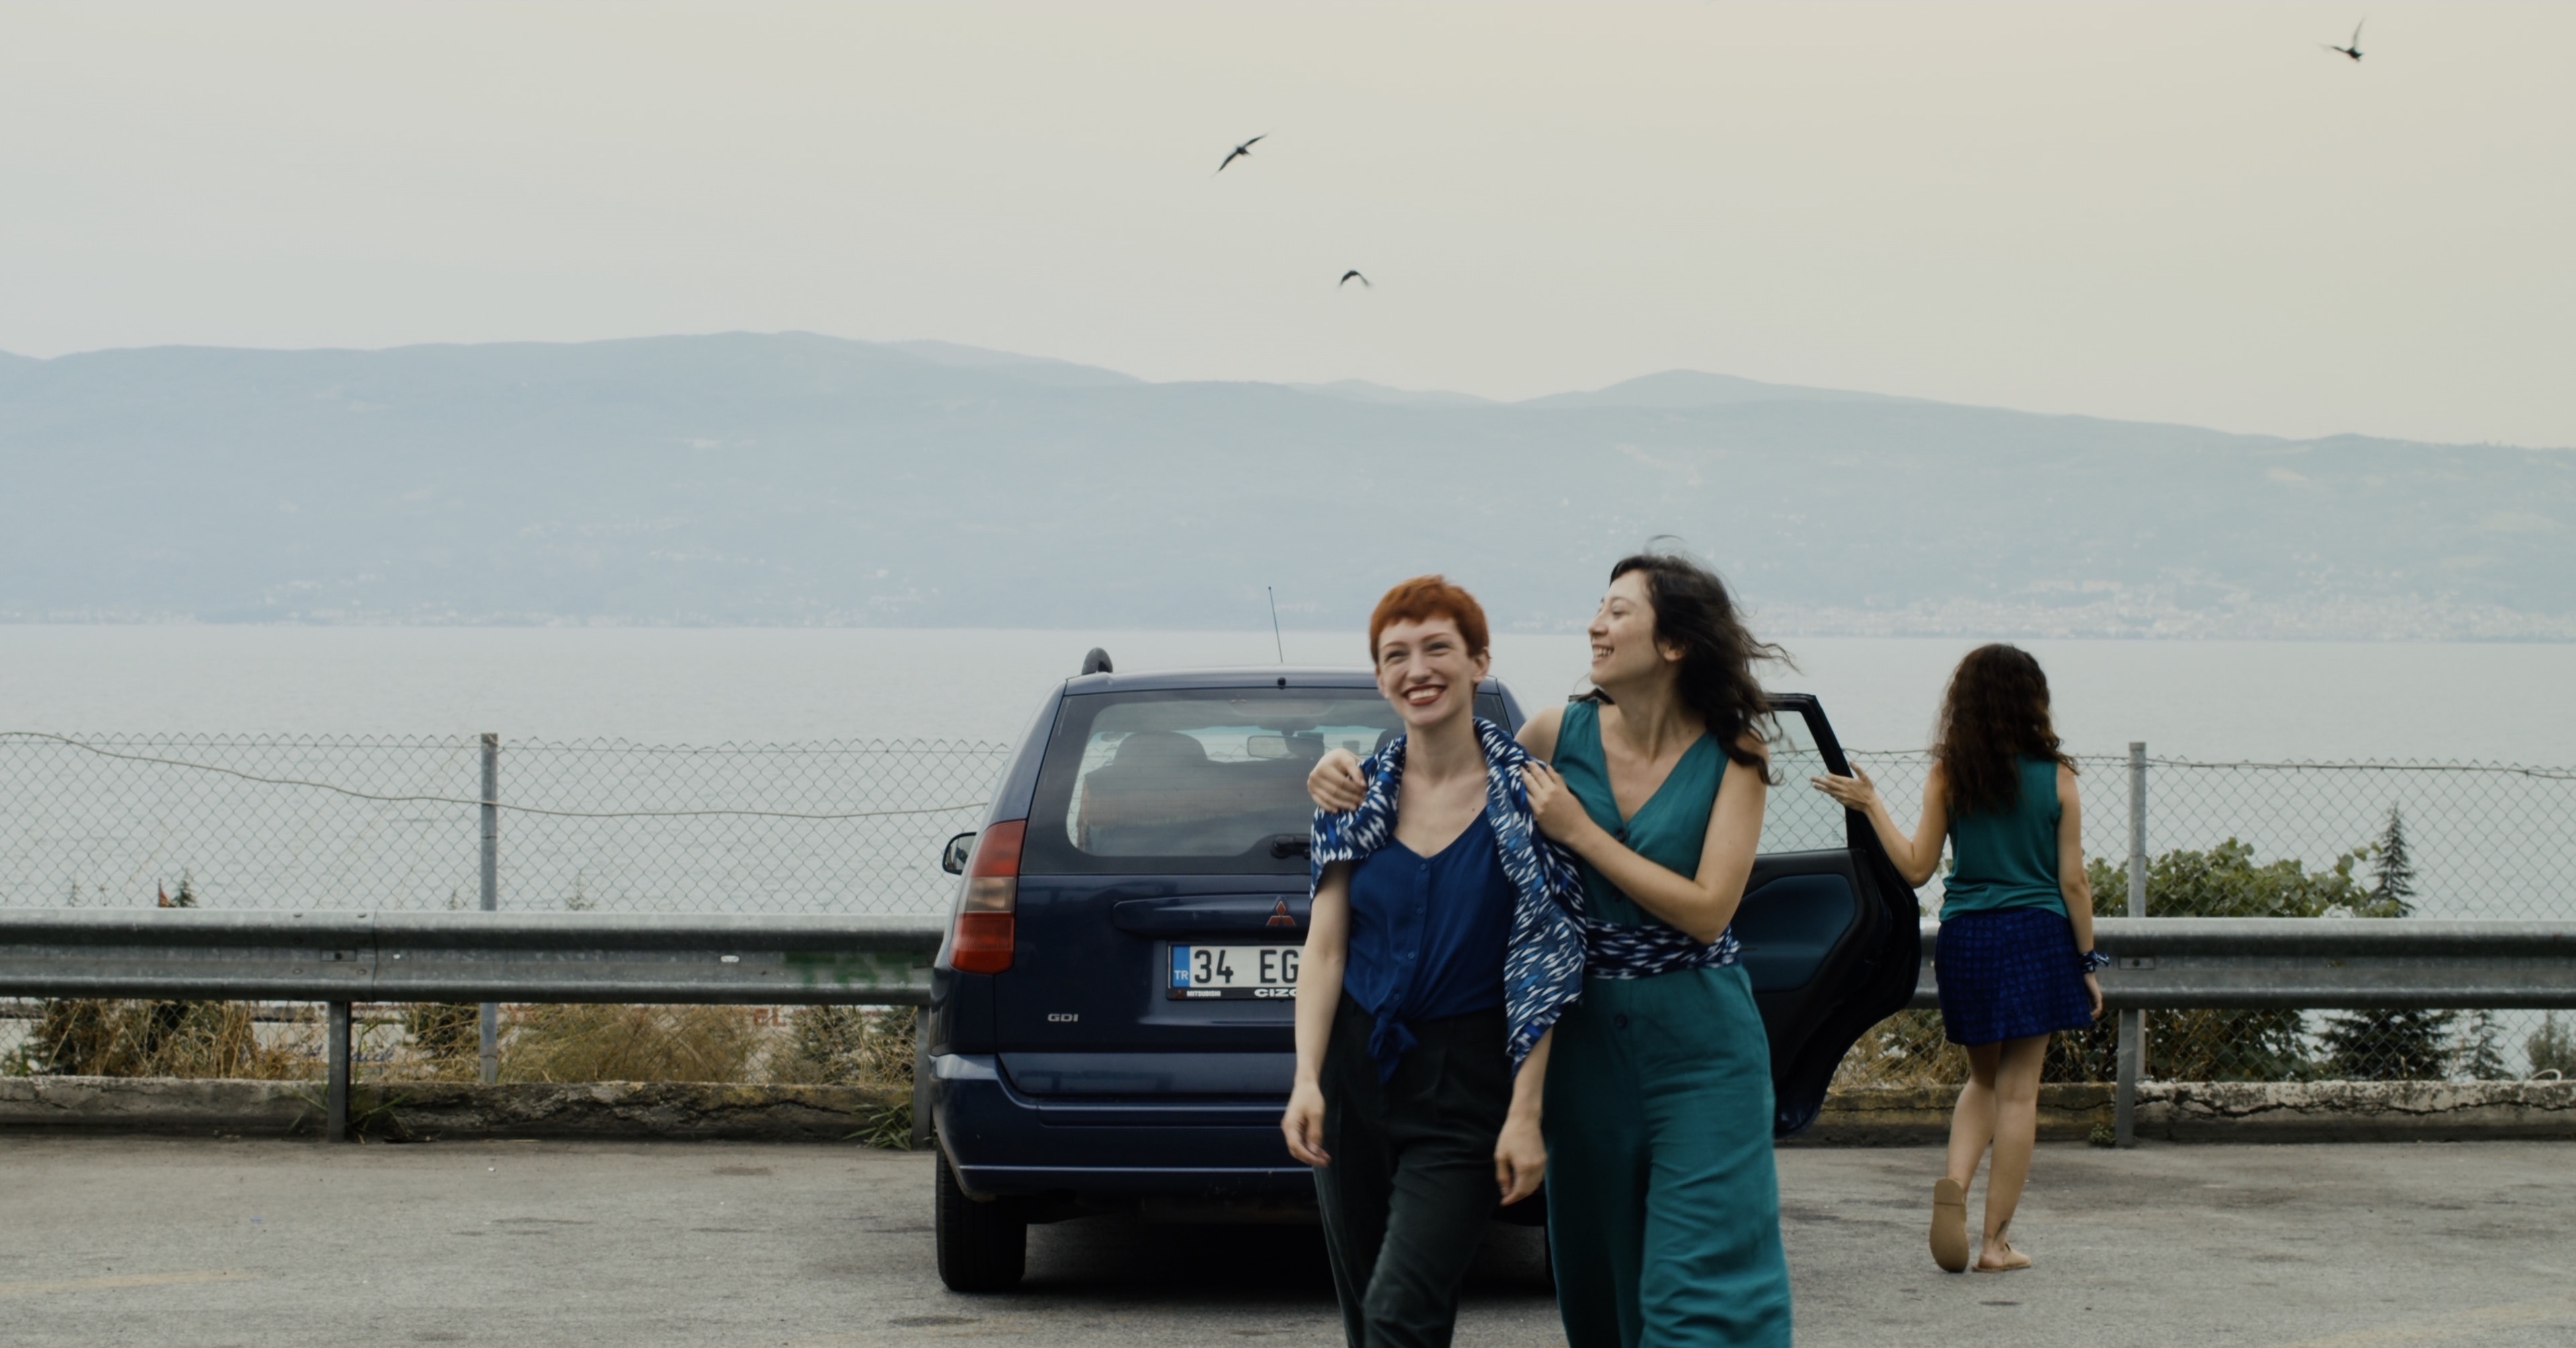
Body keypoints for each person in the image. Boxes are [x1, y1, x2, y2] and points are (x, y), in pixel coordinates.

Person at [1310, 551, 1794, 1347]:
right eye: (1598, 608)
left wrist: (1581, 833)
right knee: (1599, 1277)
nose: (1593, 626)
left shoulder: (1735, 752)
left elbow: (1709, 912)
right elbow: (1445, 775)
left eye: (1616, 612)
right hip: (1581, 1042)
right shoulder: (1550, 733)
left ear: (1674, 643)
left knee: (1699, 1286)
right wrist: (1342, 771)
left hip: (1701, 1045)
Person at [1281, 575, 1586, 1348]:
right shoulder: (1353, 798)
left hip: (1466, 1079)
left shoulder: (1528, 802)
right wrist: (1307, 1078)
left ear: (1479, 661)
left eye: (1436, 648)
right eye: (1396, 655)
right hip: (1353, 1072)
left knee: (1400, 1311)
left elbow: (1546, 965)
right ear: (1380, 677)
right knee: (1370, 1320)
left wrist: (1524, 1114)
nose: (1416, 669)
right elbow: (1325, 948)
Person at [1810, 642, 2106, 1274]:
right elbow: (2074, 882)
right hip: (2036, 936)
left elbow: (1916, 868)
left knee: (1983, 1081)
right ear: (2033, 701)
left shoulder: (1950, 774)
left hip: (1967, 937)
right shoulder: (2057, 778)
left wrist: (1871, 805)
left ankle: (1955, 1186)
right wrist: (2087, 961)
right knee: (2020, 1094)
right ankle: (1995, 1245)